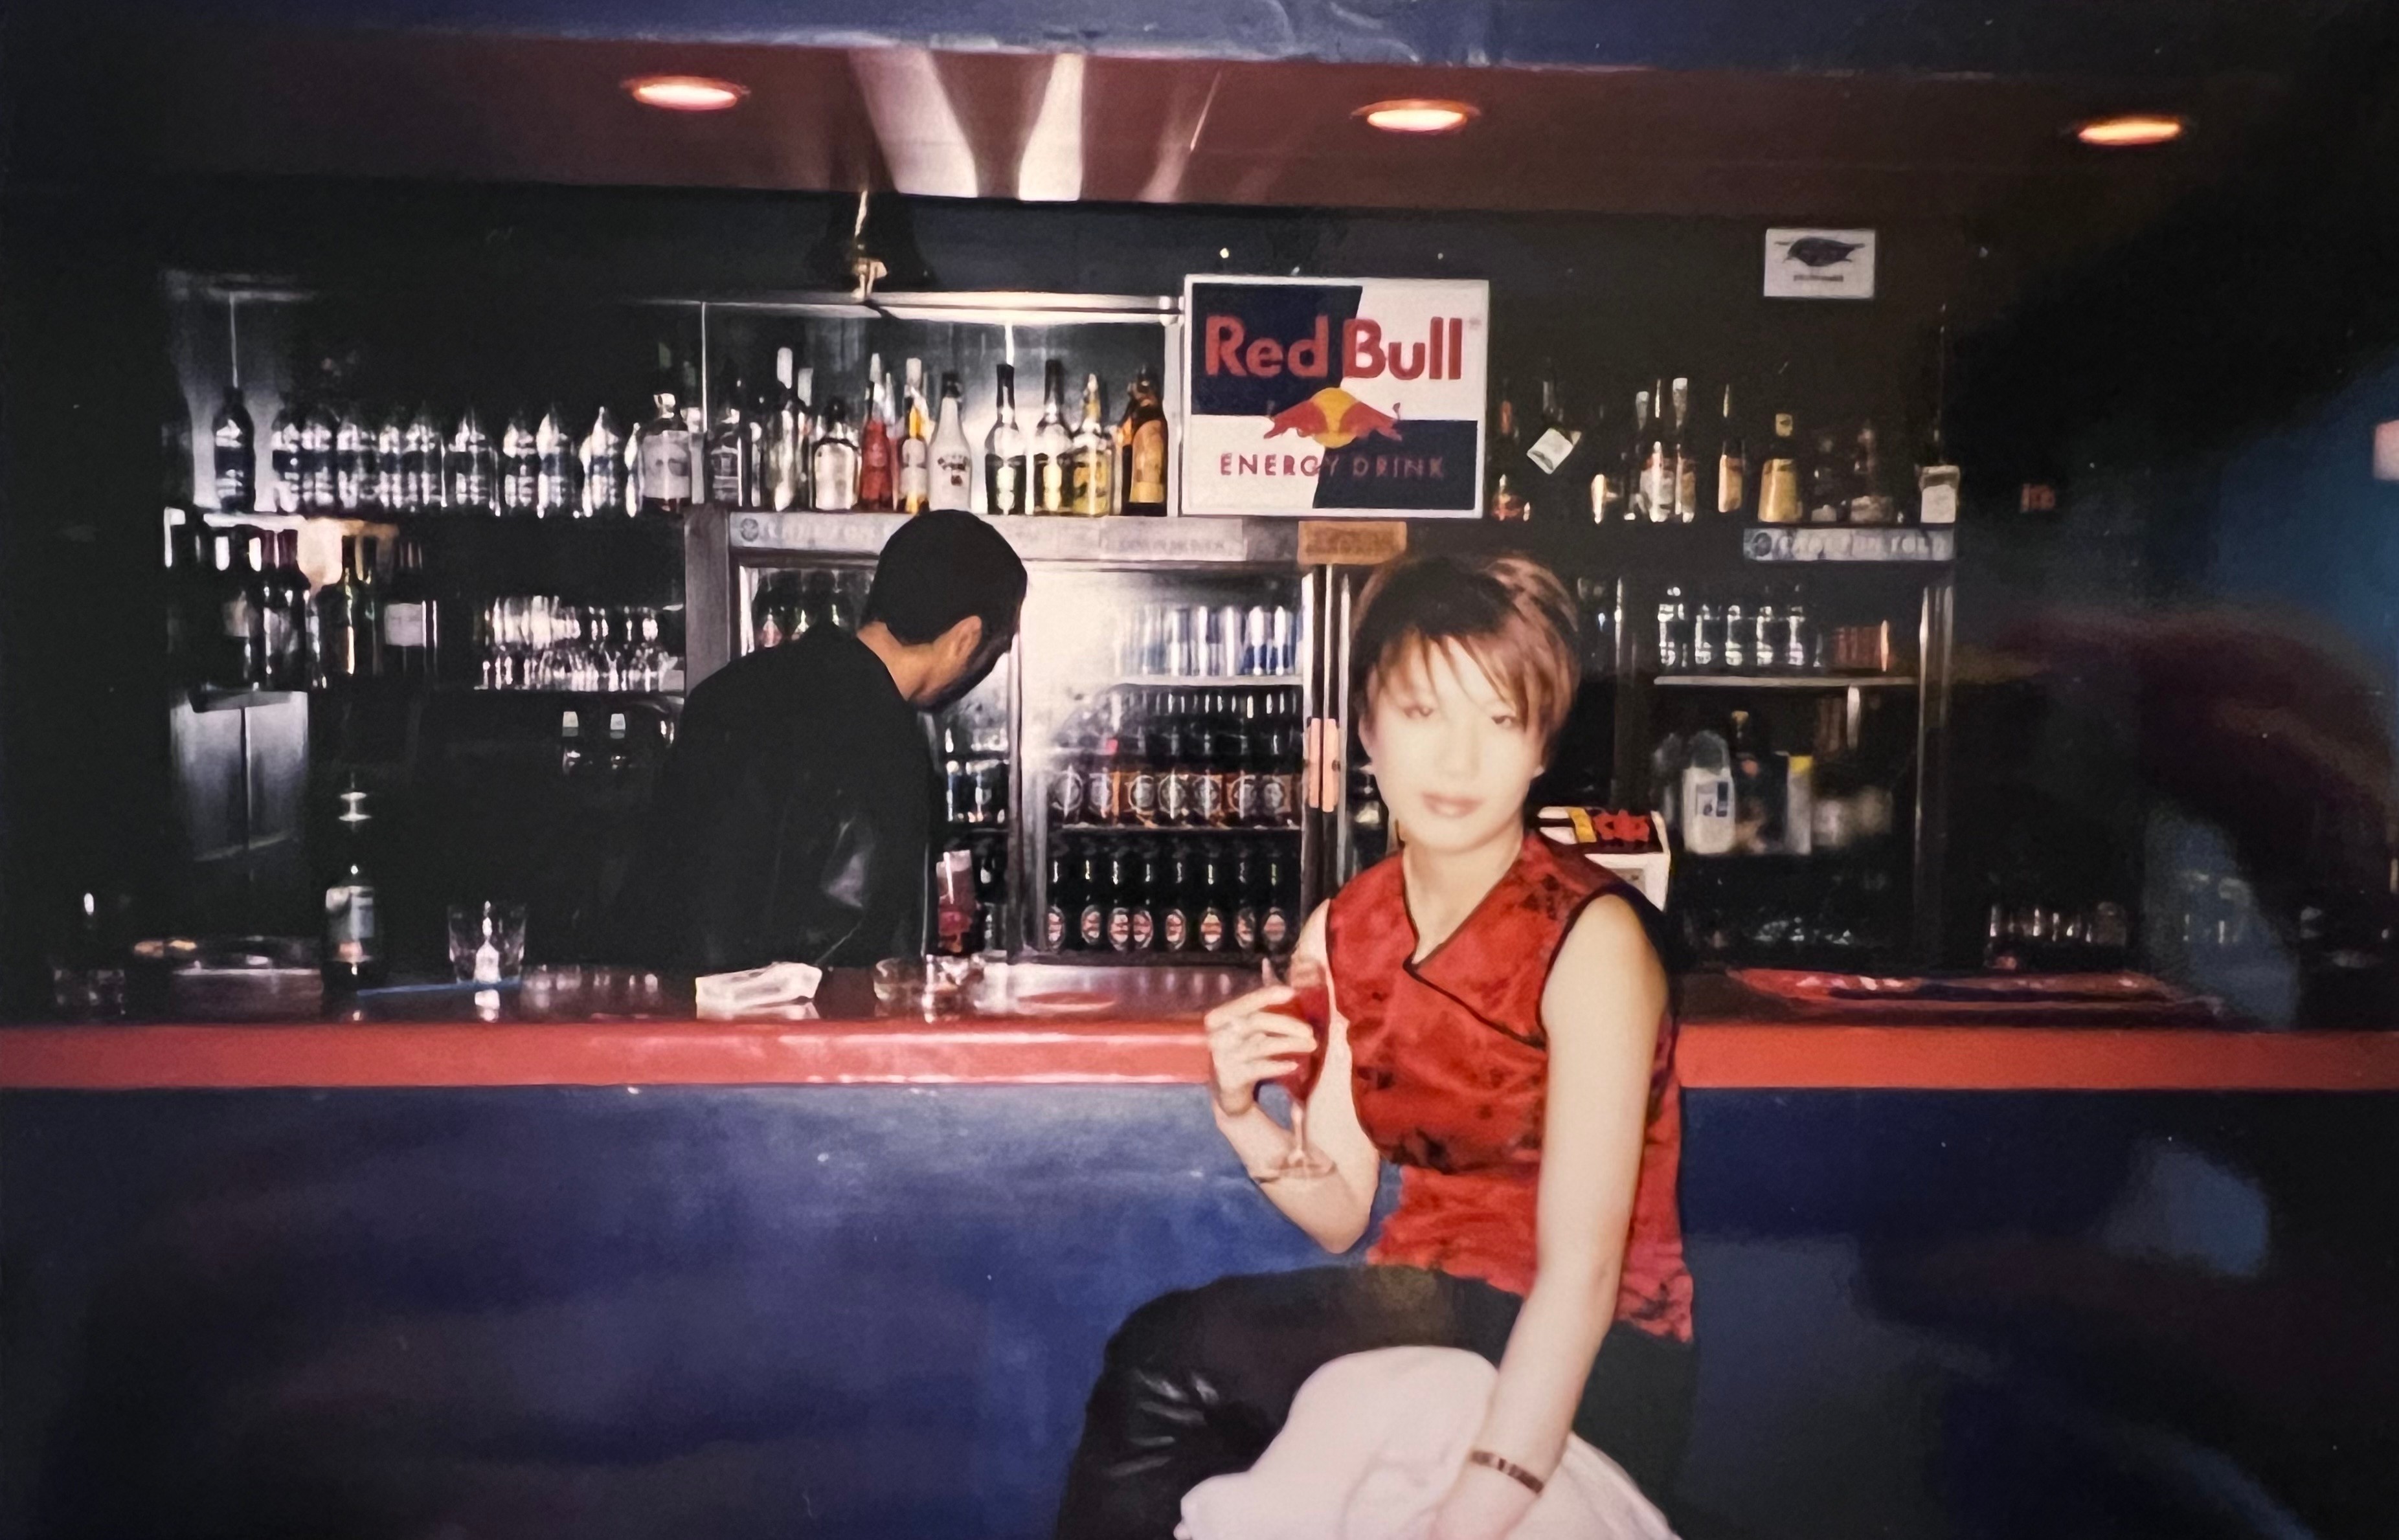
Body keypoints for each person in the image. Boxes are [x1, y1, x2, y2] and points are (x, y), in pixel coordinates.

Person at [1055, 553, 1694, 1540]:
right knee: (1173, 1359)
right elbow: (1338, 1209)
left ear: (1540, 747)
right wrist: (1242, 1118)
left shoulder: (1591, 938)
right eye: (1423, 711)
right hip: (1421, 1303)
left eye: (1499, 718)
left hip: (1596, 1344)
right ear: (1365, 726)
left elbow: (1584, 1274)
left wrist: (1474, 1510)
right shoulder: (1347, 926)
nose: (1456, 760)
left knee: (1174, 1359)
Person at [616, 509, 1026, 973]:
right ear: (964, 637)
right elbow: (850, 956)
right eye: (996, 647)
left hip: (670, 1022)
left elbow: (655, 895)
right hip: (785, 1035)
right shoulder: (887, 746)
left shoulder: (731, 687)